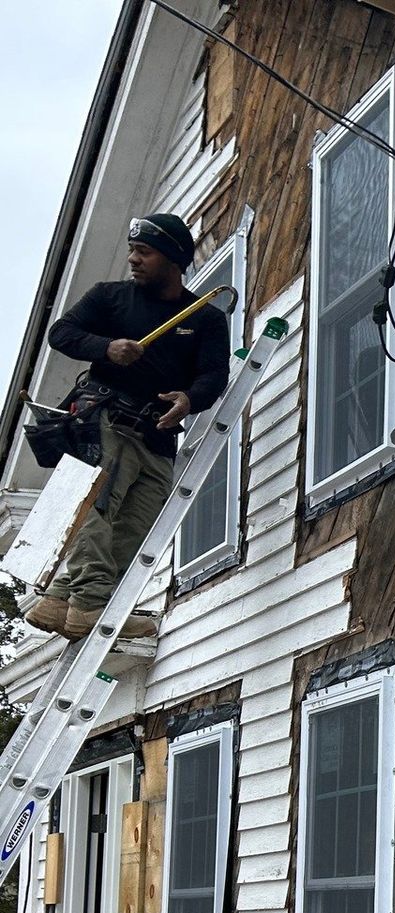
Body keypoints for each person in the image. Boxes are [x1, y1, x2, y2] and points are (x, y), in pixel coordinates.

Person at [24, 213, 231, 642]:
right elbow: (62, 333)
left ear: (174, 259)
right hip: (104, 421)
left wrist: (190, 399)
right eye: (133, 251)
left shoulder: (206, 320)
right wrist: (106, 347)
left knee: (136, 525)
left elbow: (213, 375)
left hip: (156, 434)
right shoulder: (110, 298)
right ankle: (92, 604)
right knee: (98, 510)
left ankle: (60, 601)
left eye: (145, 252)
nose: (133, 259)